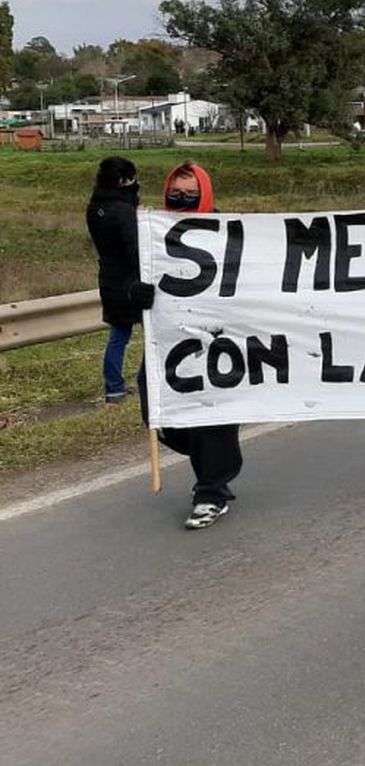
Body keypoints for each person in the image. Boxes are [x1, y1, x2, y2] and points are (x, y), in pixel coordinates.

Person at [137, 161, 244, 529]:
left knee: (212, 418)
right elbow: (129, 286)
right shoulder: (151, 235)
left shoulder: (229, 233)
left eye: (190, 193)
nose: (180, 198)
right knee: (160, 408)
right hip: (168, 342)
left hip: (216, 341)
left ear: (206, 195)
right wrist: (133, 294)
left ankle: (211, 491)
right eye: (175, 192)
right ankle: (211, 467)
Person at [86, 156, 148, 404]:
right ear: (123, 180)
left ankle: (114, 388)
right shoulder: (123, 211)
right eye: (132, 178)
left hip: (108, 277)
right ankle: (148, 381)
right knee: (153, 333)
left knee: (118, 336)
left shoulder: (94, 207)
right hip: (131, 281)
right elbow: (135, 250)